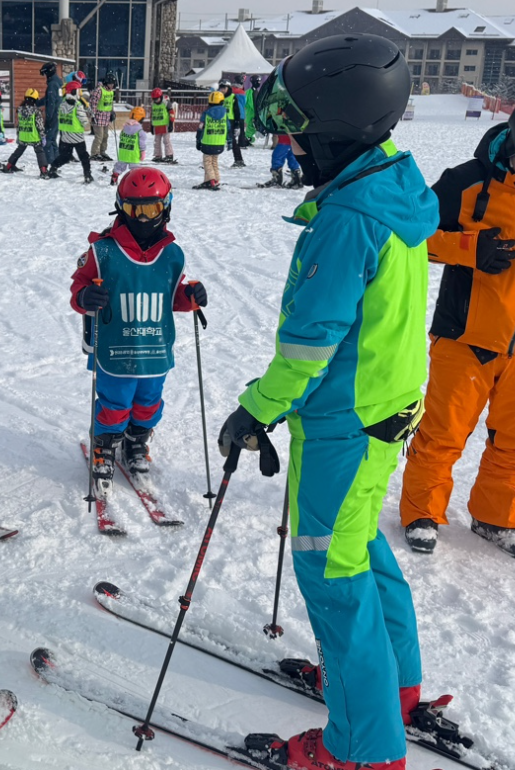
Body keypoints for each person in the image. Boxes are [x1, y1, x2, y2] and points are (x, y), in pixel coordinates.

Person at [218, 34, 450, 770]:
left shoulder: (348, 219)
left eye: (294, 124)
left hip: (345, 421)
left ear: (334, 124)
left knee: (331, 572)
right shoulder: (389, 188)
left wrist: (256, 409)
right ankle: (394, 690)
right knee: (360, 548)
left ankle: (361, 749)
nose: (288, 139)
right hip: (384, 408)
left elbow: (309, 345)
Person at [399, 110, 515, 556]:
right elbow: (412, 235)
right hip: (466, 335)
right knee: (443, 433)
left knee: (511, 440)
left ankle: (495, 518)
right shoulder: (466, 181)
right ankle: (421, 512)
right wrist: (470, 248)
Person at [70, 167, 206, 497]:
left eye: (151, 209)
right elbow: (79, 287)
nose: (143, 218)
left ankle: (136, 442)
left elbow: (171, 296)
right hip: (115, 347)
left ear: (166, 207)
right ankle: (104, 444)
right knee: (115, 404)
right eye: (134, 210)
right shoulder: (103, 251)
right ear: (121, 208)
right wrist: (85, 296)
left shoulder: (172, 255)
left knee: (148, 403)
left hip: (153, 348)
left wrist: (190, 298)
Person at [47, 80, 93, 184]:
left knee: (65, 156)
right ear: (74, 92)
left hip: (65, 136)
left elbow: (59, 116)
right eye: (78, 91)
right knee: (84, 157)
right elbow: (84, 121)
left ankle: (53, 169)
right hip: (77, 137)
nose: (80, 93)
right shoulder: (77, 105)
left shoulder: (62, 104)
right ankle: (87, 175)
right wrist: (88, 120)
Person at [1, 89, 48, 178]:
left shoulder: (20, 110)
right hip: (34, 137)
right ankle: (43, 171)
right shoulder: (36, 111)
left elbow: (19, 124)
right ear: (35, 99)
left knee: (18, 152)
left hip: (23, 136)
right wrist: (43, 136)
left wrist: (18, 135)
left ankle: (9, 166)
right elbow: (40, 126)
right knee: (40, 152)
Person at [194, 91, 226, 190]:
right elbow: (228, 127)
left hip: (208, 142)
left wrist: (198, 140)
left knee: (207, 162)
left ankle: (211, 180)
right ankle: (214, 180)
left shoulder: (206, 114)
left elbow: (201, 128)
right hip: (219, 143)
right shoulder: (225, 114)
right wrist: (229, 140)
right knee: (214, 162)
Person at [110, 105, 147, 186]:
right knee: (135, 171)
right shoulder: (140, 131)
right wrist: (142, 152)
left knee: (119, 167)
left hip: (123, 153)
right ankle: (135, 183)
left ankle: (114, 176)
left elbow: (121, 136)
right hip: (134, 155)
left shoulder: (125, 128)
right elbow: (142, 143)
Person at [89, 72, 118, 161]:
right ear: (106, 83)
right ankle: (94, 153)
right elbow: (93, 103)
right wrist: (93, 115)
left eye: (113, 84)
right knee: (99, 136)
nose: (112, 85)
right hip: (98, 117)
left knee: (105, 136)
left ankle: (102, 152)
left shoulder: (111, 92)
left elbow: (110, 104)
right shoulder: (99, 90)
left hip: (106, 117)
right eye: (110, 83)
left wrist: (112, 112)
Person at [41, 61, 64, 166]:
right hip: (59, 113)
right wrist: (36, 102)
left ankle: (50, 162)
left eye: (45, 74)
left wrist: (49, 117)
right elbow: (50, 99)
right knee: (53, 139)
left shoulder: (52, 84)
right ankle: (56, 160)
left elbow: (51, 101)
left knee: (47, 140)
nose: (45, 76)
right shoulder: (58, 83)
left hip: (53, 114)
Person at [218, 78, 245, 168]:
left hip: (231, 121)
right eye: (221, 88)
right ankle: (210, 160)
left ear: (228, 88)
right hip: (220, 121)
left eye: (224, 88)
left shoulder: (233, 97)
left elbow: (236, 111)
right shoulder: (218, 97)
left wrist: (237, 124)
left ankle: (239, 160)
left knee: (232, 141)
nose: (222, 90)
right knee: (216, 140)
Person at [149, 88, 176, 164]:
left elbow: (171, 113)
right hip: (157, 126)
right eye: (154, 99)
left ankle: (169, 155)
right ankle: (158, 155)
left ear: (160, 97)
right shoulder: (153, 104)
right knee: (156, 141)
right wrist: (151, 125)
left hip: (165, 125)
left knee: (166, 141)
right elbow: (152, 115)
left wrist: (171, 122)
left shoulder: (166, 103)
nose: (155, 101)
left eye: (156, 99)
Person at [244, 74, 262, 147]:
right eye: (258, 81)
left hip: (255, 113)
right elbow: (245, 102)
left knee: (252, 127)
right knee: (250, 127)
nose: (259, 83)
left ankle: (248, 139)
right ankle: (246, 140)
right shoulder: (248, 92)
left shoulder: (257, 92)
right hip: (251, 113)